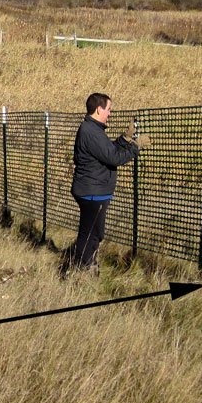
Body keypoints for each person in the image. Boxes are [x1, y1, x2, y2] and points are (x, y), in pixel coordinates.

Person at [66, 92, 148, 274]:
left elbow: (106, 151)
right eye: (108, 109)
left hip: (93, 189)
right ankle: (82, 269)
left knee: (94, 233)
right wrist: (135, 147)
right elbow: (113, 158)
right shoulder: (91, 132)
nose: (110, 113)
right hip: (92, 191)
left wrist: (124, 140)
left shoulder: (92, 130)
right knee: (90, 234)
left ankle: (88, 266)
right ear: (98, 109)